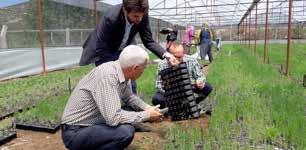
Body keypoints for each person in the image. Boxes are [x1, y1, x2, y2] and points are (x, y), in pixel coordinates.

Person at [61, 45, 164, 150]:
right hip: (76, 131)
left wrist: (148, 108)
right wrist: (146, 115)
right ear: (135, 68)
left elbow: (130, 98)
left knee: (132, 110)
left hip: (94, 123)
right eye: (144, 68)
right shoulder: (108, 77)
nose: (144, 71)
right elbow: (113, 118)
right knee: (125, 132)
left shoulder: (122, 71)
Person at [79, 0, 178, 94]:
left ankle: (132, 106)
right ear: (125, 10)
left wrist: (167, 55)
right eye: (135, 16)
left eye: (141, 16)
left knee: (130, 81)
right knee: (110, 82)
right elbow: (101, 48)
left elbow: (148, 41)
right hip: (104, 50)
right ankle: (109, 106)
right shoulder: (111, 18)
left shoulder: (141, 14)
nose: (139, 20)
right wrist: (116, 69)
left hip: (123, 49)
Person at [152, 42, 213, 111]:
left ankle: (189, 105)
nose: (178, 59)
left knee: (207, 87)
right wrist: (173, 94)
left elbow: (200, 76)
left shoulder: (191, 60)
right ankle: (173, 107)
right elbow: (159, 85)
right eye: (176, 57)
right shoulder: (162, 64)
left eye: (181, 56)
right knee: (157, 99)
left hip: (188, 88)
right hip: (170, 92)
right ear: (169, 55)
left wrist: (200, 81)